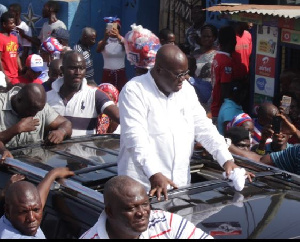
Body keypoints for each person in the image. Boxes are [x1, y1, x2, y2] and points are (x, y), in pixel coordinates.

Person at [117, 44, 254, 201]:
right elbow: (135, 139)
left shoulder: (186, 91)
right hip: (143, 190)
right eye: (178, 74)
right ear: (159, 70)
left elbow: (204, 128)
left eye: (186, 73)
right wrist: (154, 173)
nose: (184, 78)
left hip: (180, 189)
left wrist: (227, 160)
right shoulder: (134, 91)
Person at [80, 175, 213, 239]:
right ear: (110, 211)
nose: (141, 213)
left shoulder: (167, 223)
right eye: (131, 208)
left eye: (145, 204)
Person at [46, 50, 120, 137]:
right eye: (73, 68)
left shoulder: (95, 95)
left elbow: (120, 117)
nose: (78, 72)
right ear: (62, 70)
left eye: (82, 68)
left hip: (85, 150)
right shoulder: (47, 98)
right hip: (53, 150)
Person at [0, 167, 74, 239]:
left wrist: (52, 174)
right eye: (23, 212)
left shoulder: (7, 220)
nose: (32, 218)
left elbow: (34, 202)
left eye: (36, 210)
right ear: (7, 210)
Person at [0, 83, 72, 149]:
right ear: (19, 100)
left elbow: (66, 123)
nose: (34, 114)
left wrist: (62, 132)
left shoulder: (39, 106)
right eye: (31, 110)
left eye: (38, 110)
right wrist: (16, 129)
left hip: (32, 160)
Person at [211, 25, 237, 123]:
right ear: (231, 42)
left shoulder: (217, 57)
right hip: (220, 110)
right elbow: (225, 90)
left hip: (215, 107)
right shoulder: (226, 62)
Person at [96, 17, 127, 92]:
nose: (112, 30)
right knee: (106, 94)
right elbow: (98, 50)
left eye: (114, 28)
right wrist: (105, 38)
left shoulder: (123, 41)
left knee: (121, 94)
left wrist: (118, 36)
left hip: (120, 74)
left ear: (118, 29)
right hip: (107, 74)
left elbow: (128, 46)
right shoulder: (103, 42)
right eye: (110, 27)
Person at [0, 11, 22, 85]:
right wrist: (5, 77)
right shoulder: (0, 38)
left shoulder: (14, 38)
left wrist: (21, 70)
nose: (14, 25)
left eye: (14, 23)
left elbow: (16, 56)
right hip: (5, 77)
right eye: (11, 23)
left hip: (15, 76)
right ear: (4, 24)